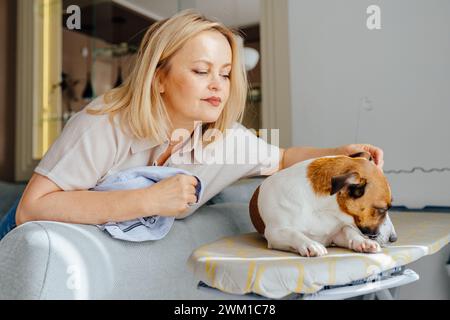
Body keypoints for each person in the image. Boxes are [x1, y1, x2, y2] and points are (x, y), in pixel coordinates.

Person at [1, 10, 384, 239]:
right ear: (159, 76)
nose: (218, 84)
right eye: (201, 71)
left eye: (226, 73)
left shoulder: (223, 138)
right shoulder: (105, 122)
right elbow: (31, 209)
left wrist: (342, 153)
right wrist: (147, 201)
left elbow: (283, 158)